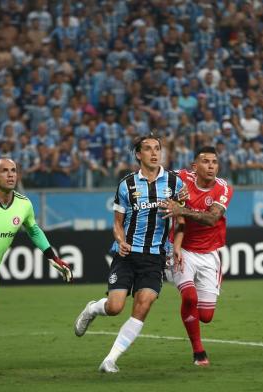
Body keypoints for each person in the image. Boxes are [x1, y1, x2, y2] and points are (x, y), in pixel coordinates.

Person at [74, 136, 183, 373]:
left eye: (157, 149)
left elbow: (181, 219)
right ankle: (92, 308)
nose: (154, 153)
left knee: (143, 305)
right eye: (148, 149)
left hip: (155, 257)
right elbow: (117, 222)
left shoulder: (175, 182)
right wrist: (120, 240)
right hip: (127, 255)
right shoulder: (127, 185)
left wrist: (176, 246)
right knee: (115, 307)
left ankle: (110, 359)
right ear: (138, 155)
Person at [0, 158, 72, 336]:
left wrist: (52, 257)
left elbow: (33, 230)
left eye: (13, 170)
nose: (11, 175)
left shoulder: (24, 204)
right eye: (5, 171)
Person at [162, 146, 234, 366]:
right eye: (205, 161)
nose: (211, 166)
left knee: (206, 316)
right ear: (195, 166)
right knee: (189, 297)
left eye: (214, 162)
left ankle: (197, 332)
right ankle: (198, 351)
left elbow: (212, 219)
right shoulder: (181, 178)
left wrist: (180, 209)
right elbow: (156, 176)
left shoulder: (224, 188)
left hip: (210, 254)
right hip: (182, 249)